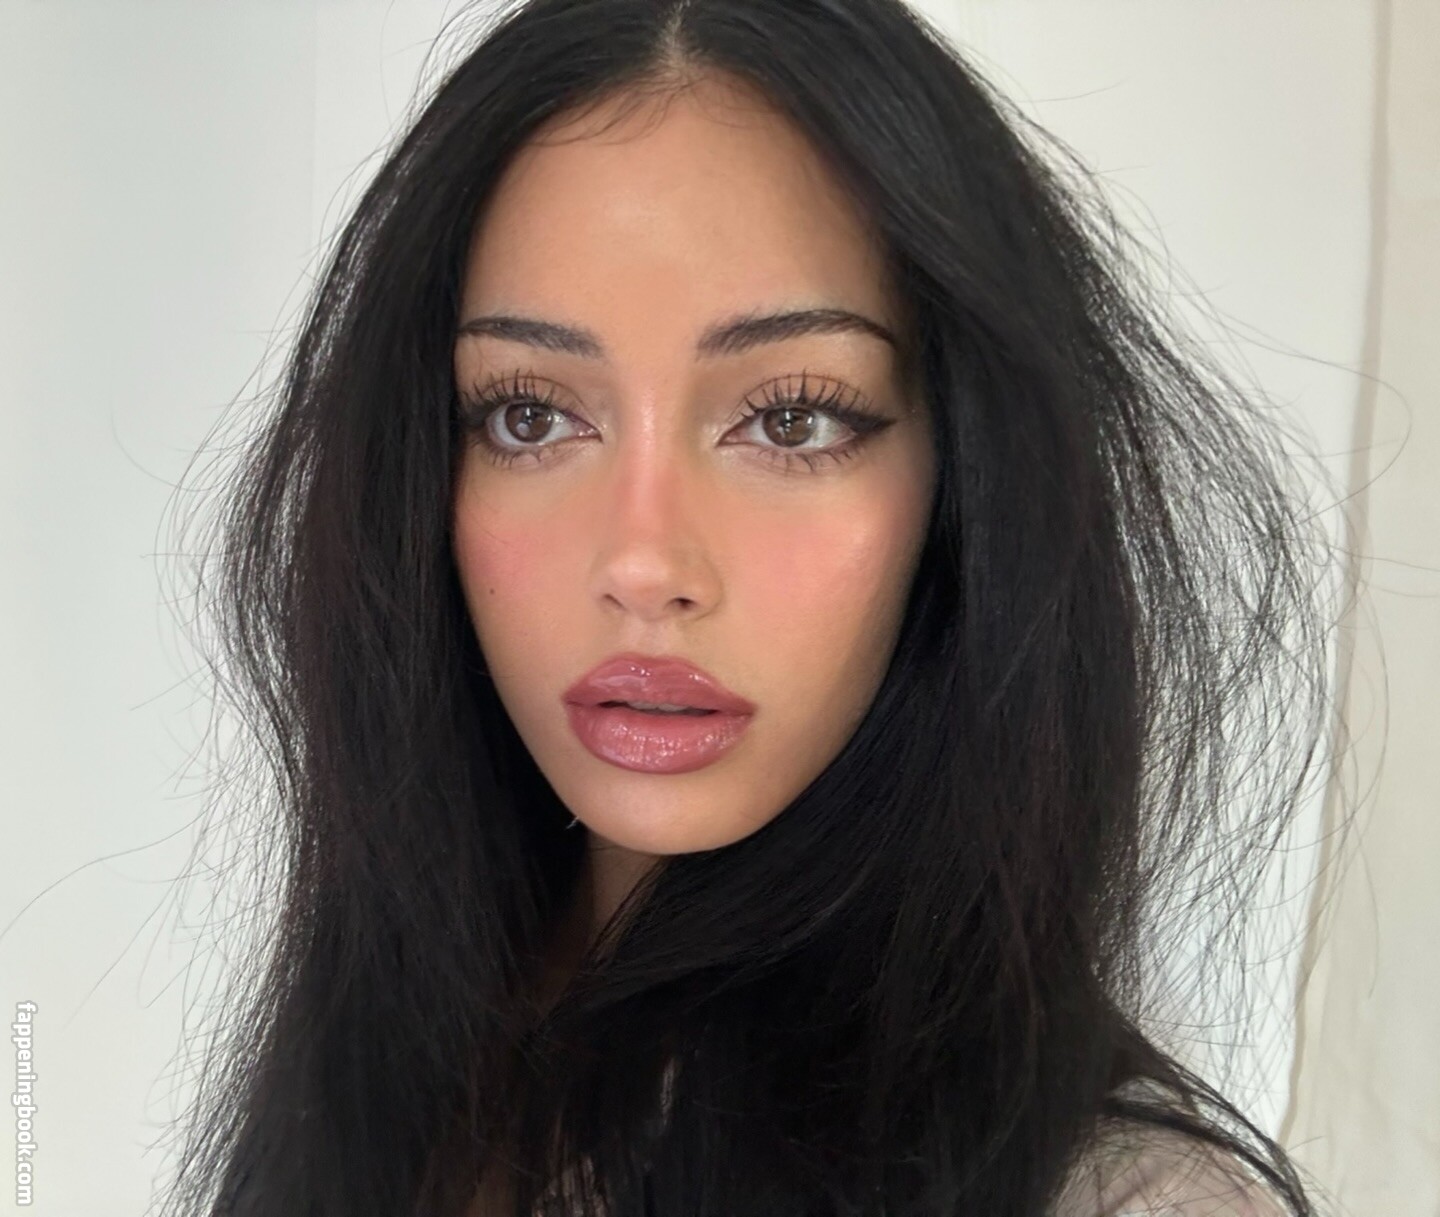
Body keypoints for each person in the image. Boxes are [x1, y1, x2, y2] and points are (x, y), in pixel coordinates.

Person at [160, 0, 1333, 1214]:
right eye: (530, 413)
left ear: (965, 479)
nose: (644, 560)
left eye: (791, 417)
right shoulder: (387, 1082)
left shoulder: (1125, 1199)